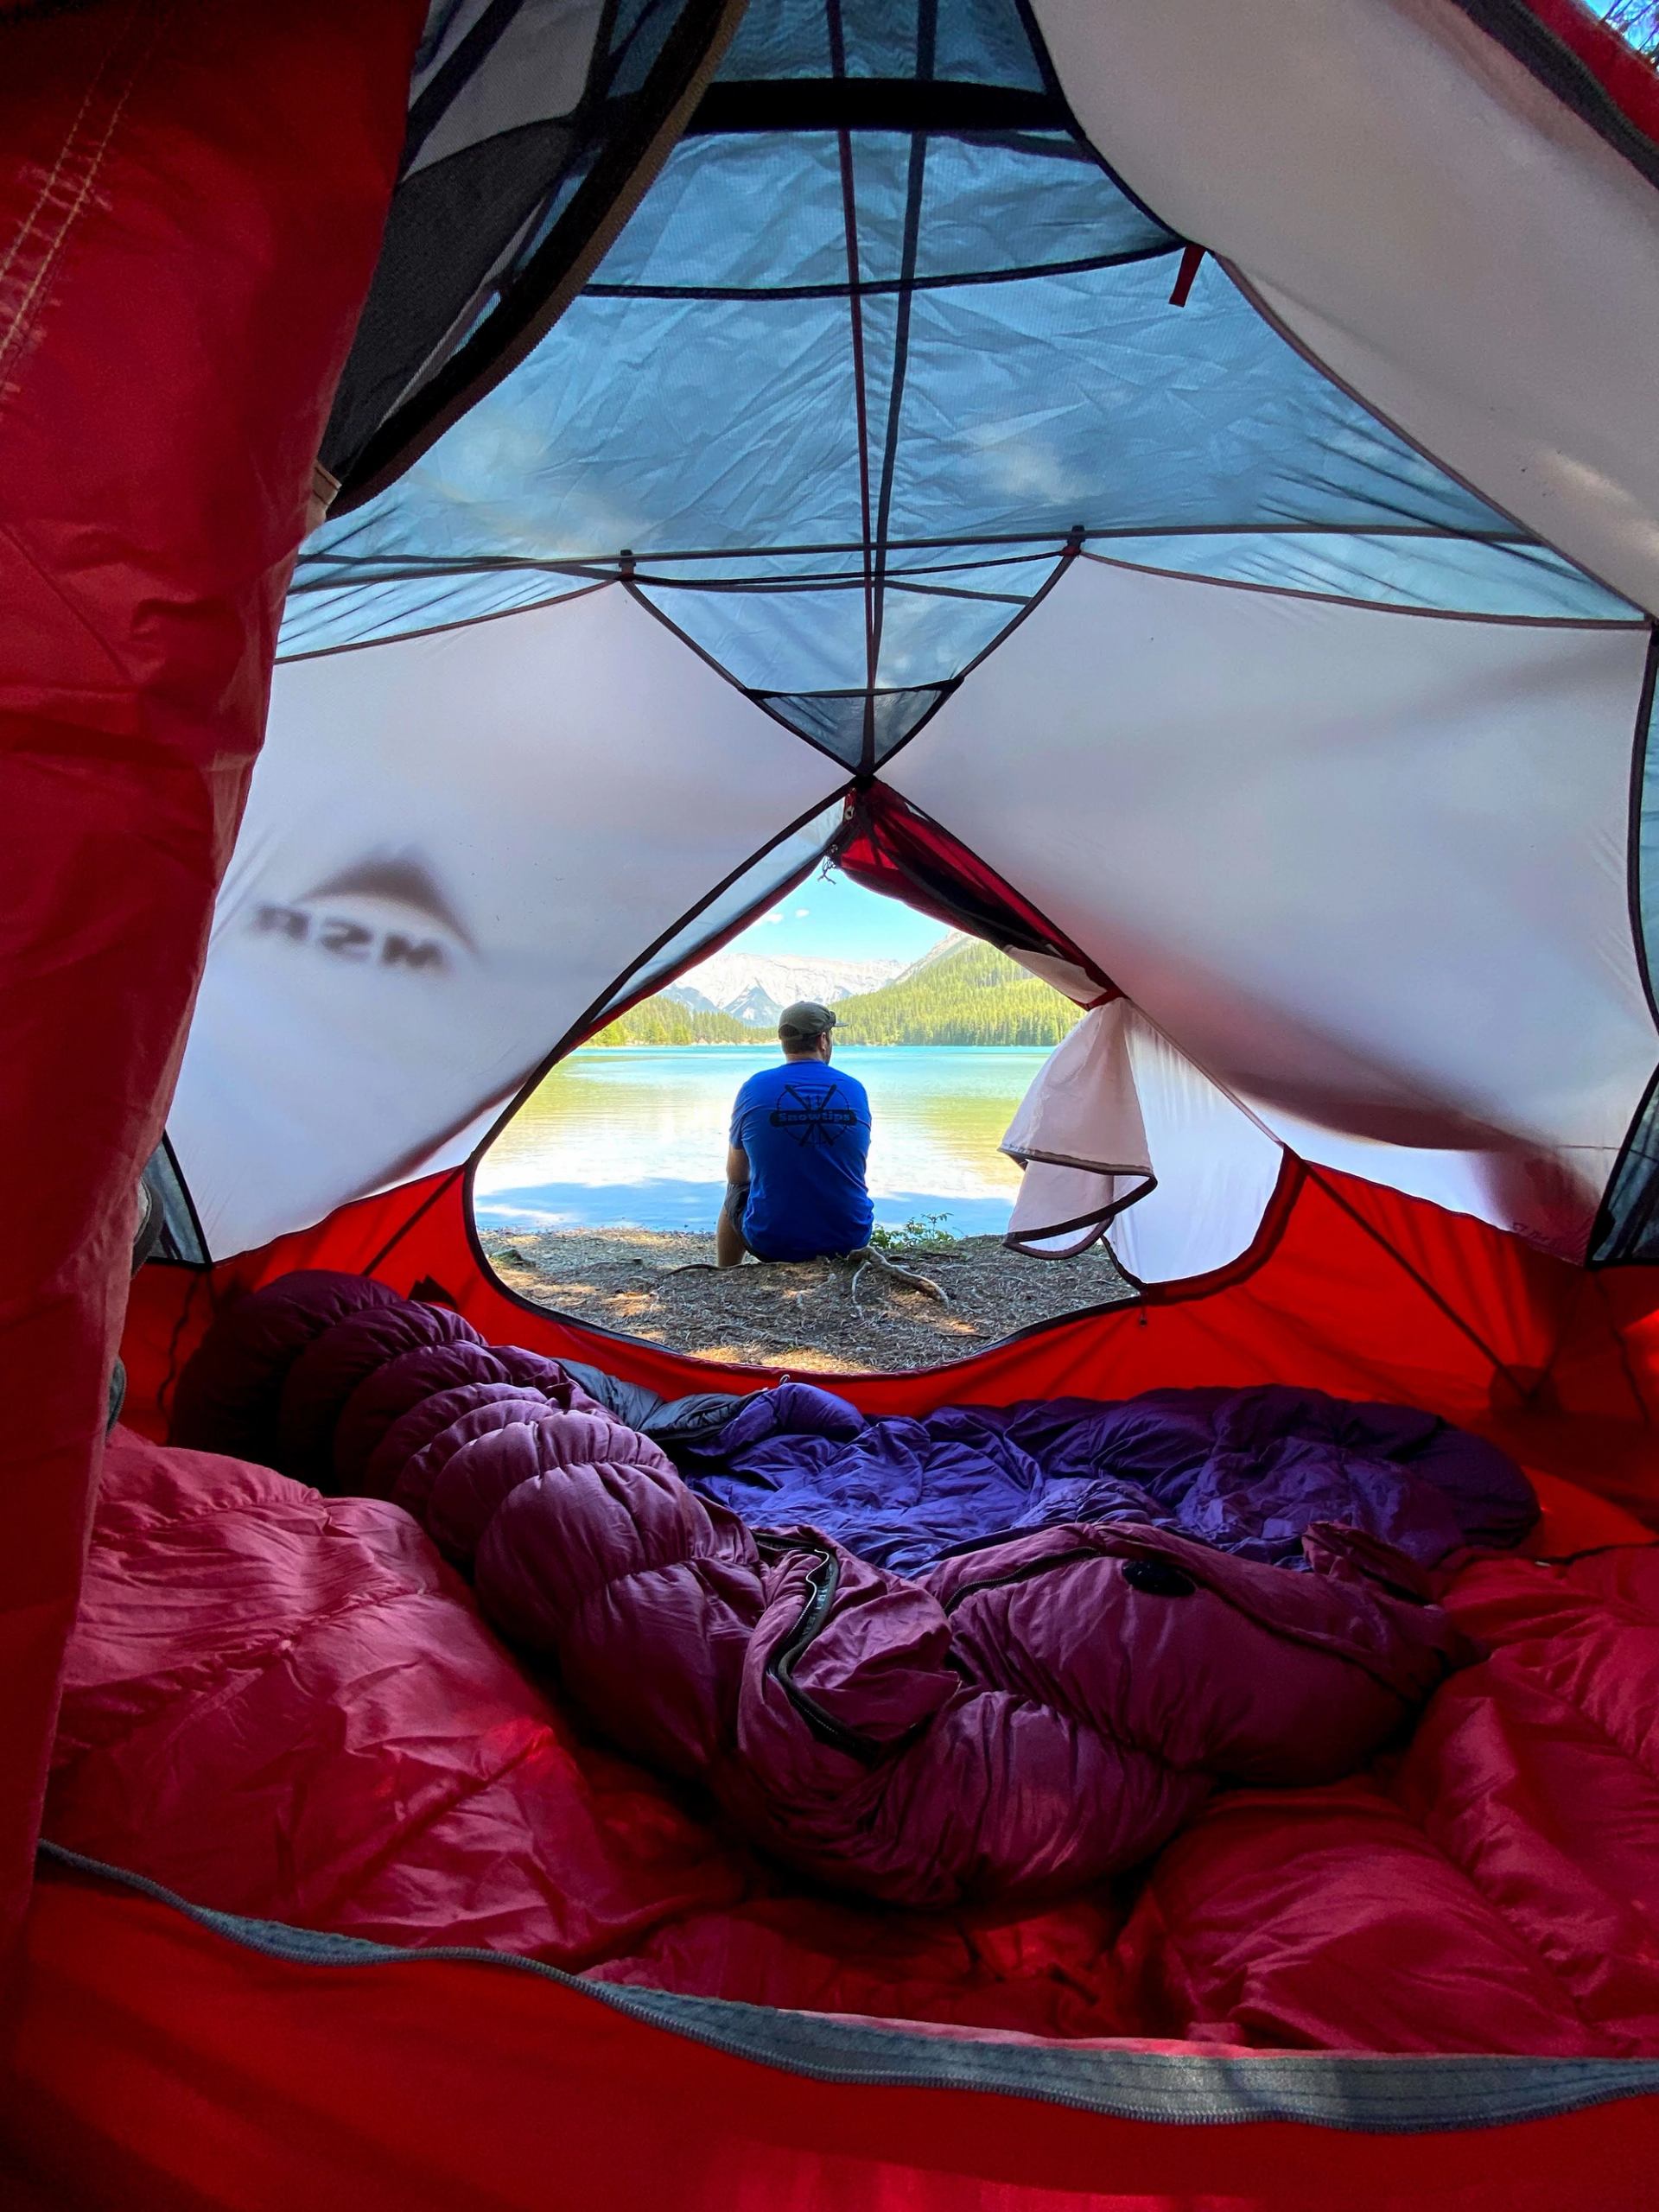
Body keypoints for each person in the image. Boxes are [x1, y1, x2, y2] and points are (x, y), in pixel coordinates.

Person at [718, 1000, 874, 1266]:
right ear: (823, 1040)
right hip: (849, 1239)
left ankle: (727, 1273)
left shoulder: (753, 1088)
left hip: (772, 1243)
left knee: (735, 1190)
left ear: (784, 1042)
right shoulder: (854, 1090)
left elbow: (736, 1175)